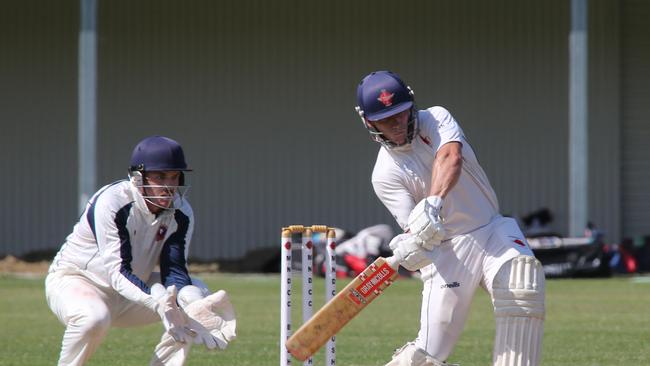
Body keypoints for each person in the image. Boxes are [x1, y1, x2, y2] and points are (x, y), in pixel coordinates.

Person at [354, 71, 545, 366]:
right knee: (425, 358)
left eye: (401, 113)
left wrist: (433, 202)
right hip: (448, 254)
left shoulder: (436, 118)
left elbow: (451, 158)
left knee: (522, 284)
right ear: (368, 122)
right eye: (386, 119)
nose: (397, 123)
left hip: (490, 228)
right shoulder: (385, 175)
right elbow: (415, 231)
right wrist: (412, 245)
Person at [45, 136, 236, 366]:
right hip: (78, 281)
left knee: (196, 291)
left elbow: (174, 270)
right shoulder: (113, 203)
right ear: (138, 178)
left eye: (175, 176)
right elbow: (117, 272)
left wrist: (194, 306)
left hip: (132, 293)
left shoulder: (182, 211)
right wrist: (158, 302)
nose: (170, 186)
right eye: (160, 177)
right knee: (94, 319)